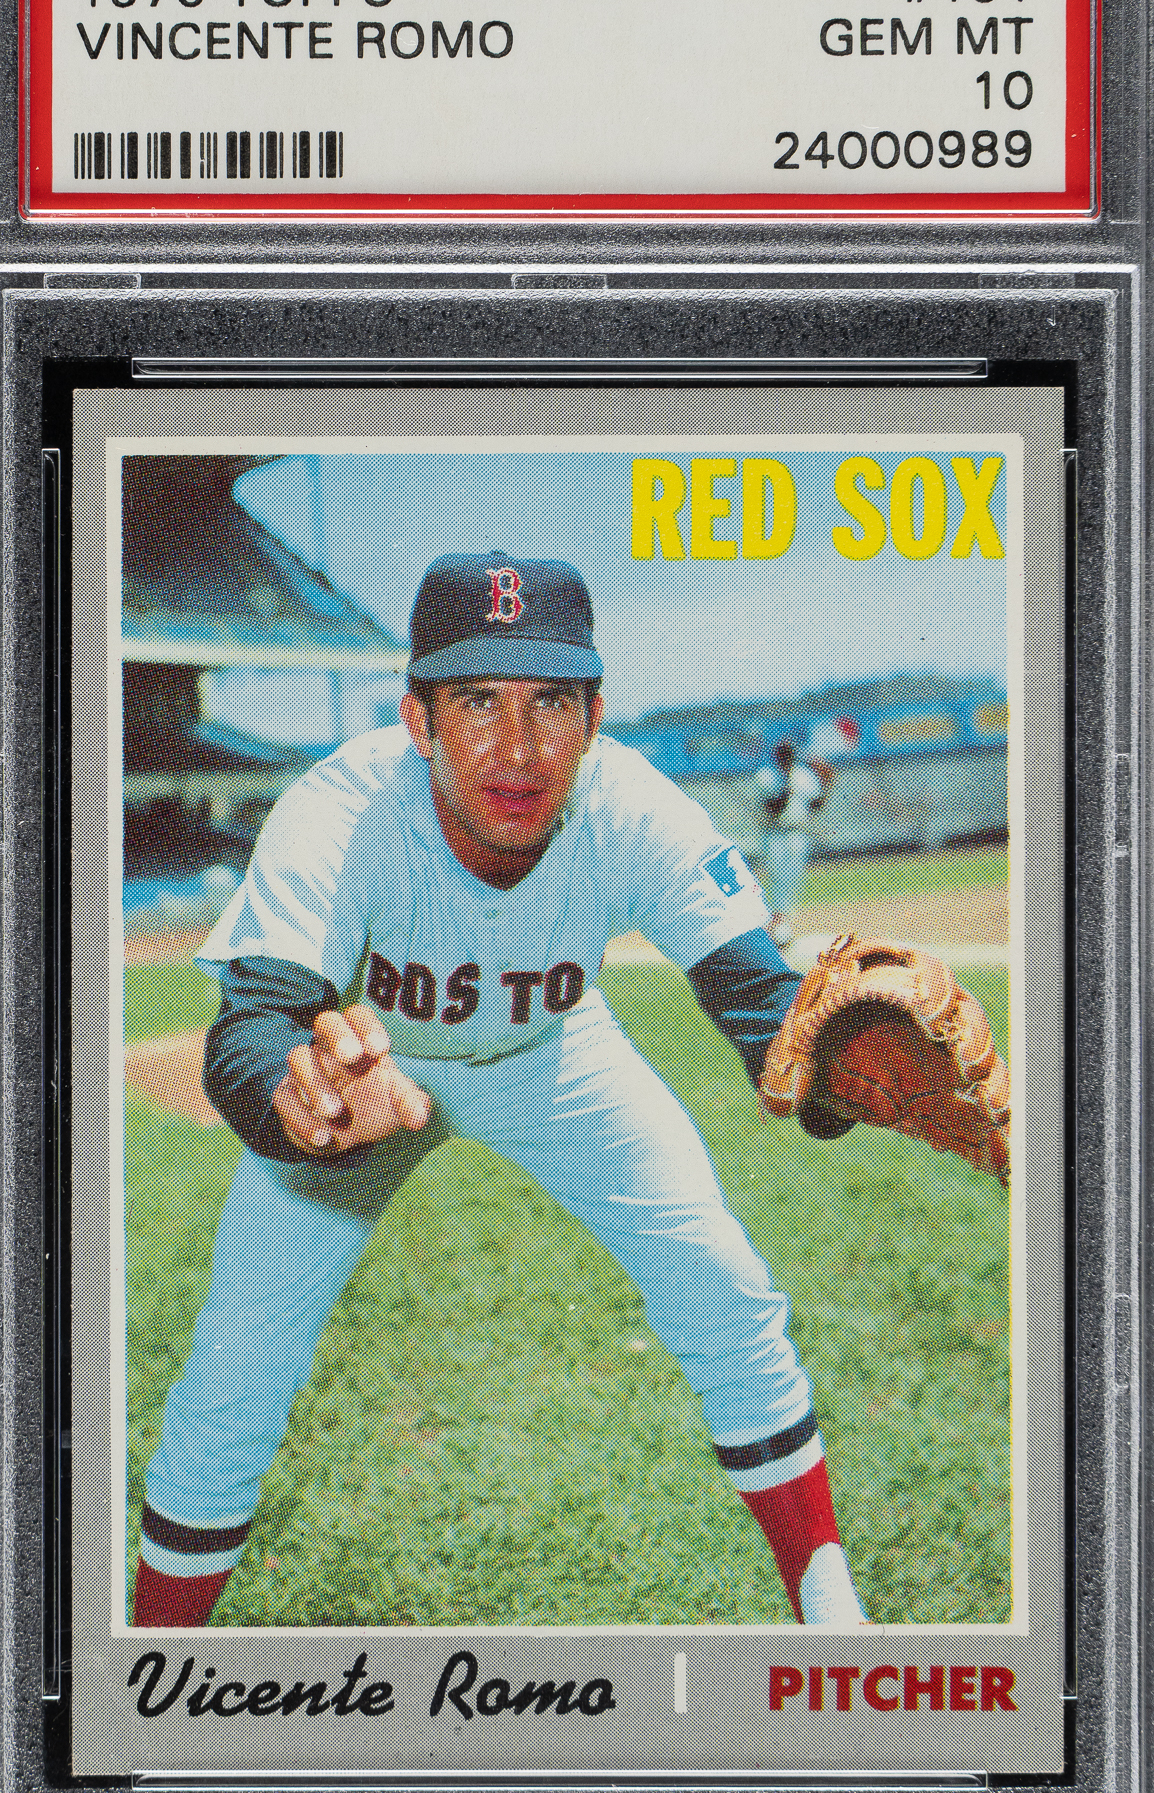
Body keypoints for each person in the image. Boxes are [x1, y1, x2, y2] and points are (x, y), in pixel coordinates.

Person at [130, 555, 867, 1631]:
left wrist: (848, 1073)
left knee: (720, 1282)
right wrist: (305, 1103)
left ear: (595, 717)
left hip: (555, 1057)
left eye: (550, 702)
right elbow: (249, 1030)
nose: (517, 747)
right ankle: (149, 1669)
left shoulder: (634, 806)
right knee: (235, 1376)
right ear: (417, 719)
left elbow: (763, 1007)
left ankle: (830, 1610)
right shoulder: (340, 808)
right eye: (477, 701)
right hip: (376, 1068)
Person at [757, 741, 833, 949]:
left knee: (792, 878)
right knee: (777, 876)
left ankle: (782, 923)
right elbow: (774, 808)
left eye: (789, 754)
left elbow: (815, 804)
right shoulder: (767, 775)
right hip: (775, 833)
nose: (787, 758)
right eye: (784, 754)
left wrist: (827, 784)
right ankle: (774, 923)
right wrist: (787, 783)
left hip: (798, 832)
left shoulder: (803, 774)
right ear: (777, 756)